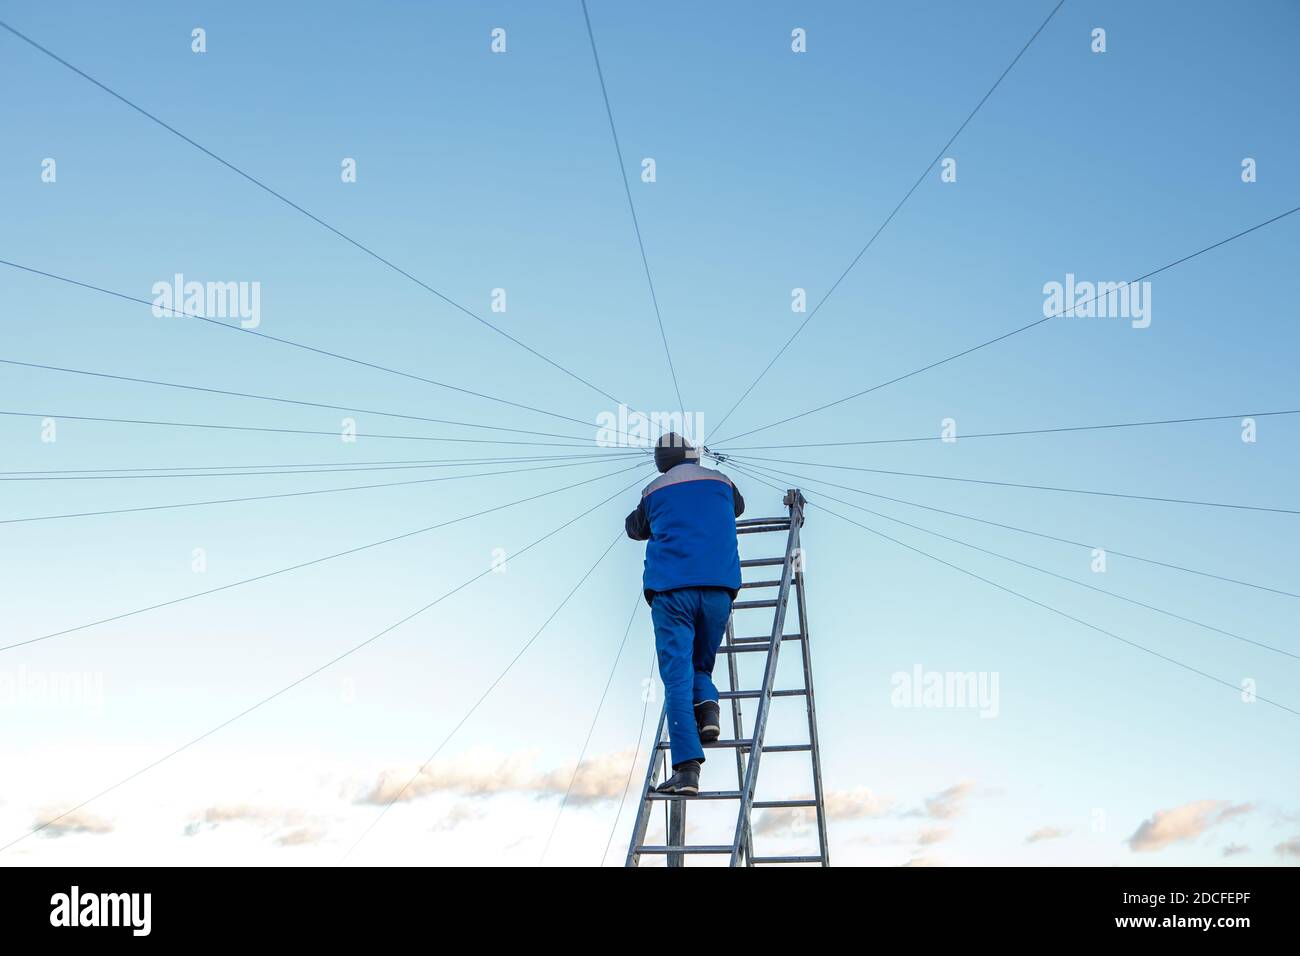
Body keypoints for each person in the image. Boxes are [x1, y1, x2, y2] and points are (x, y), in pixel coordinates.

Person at [625, 433, 745, 795]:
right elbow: (737, 507)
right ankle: (708, 712)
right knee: (700, 667)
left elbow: (634, 529)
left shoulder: (653, 490)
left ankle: (686, 769)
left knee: (677, 678)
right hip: (719, 590)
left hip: (672, 591)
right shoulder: (723, 482)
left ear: (662, 461)